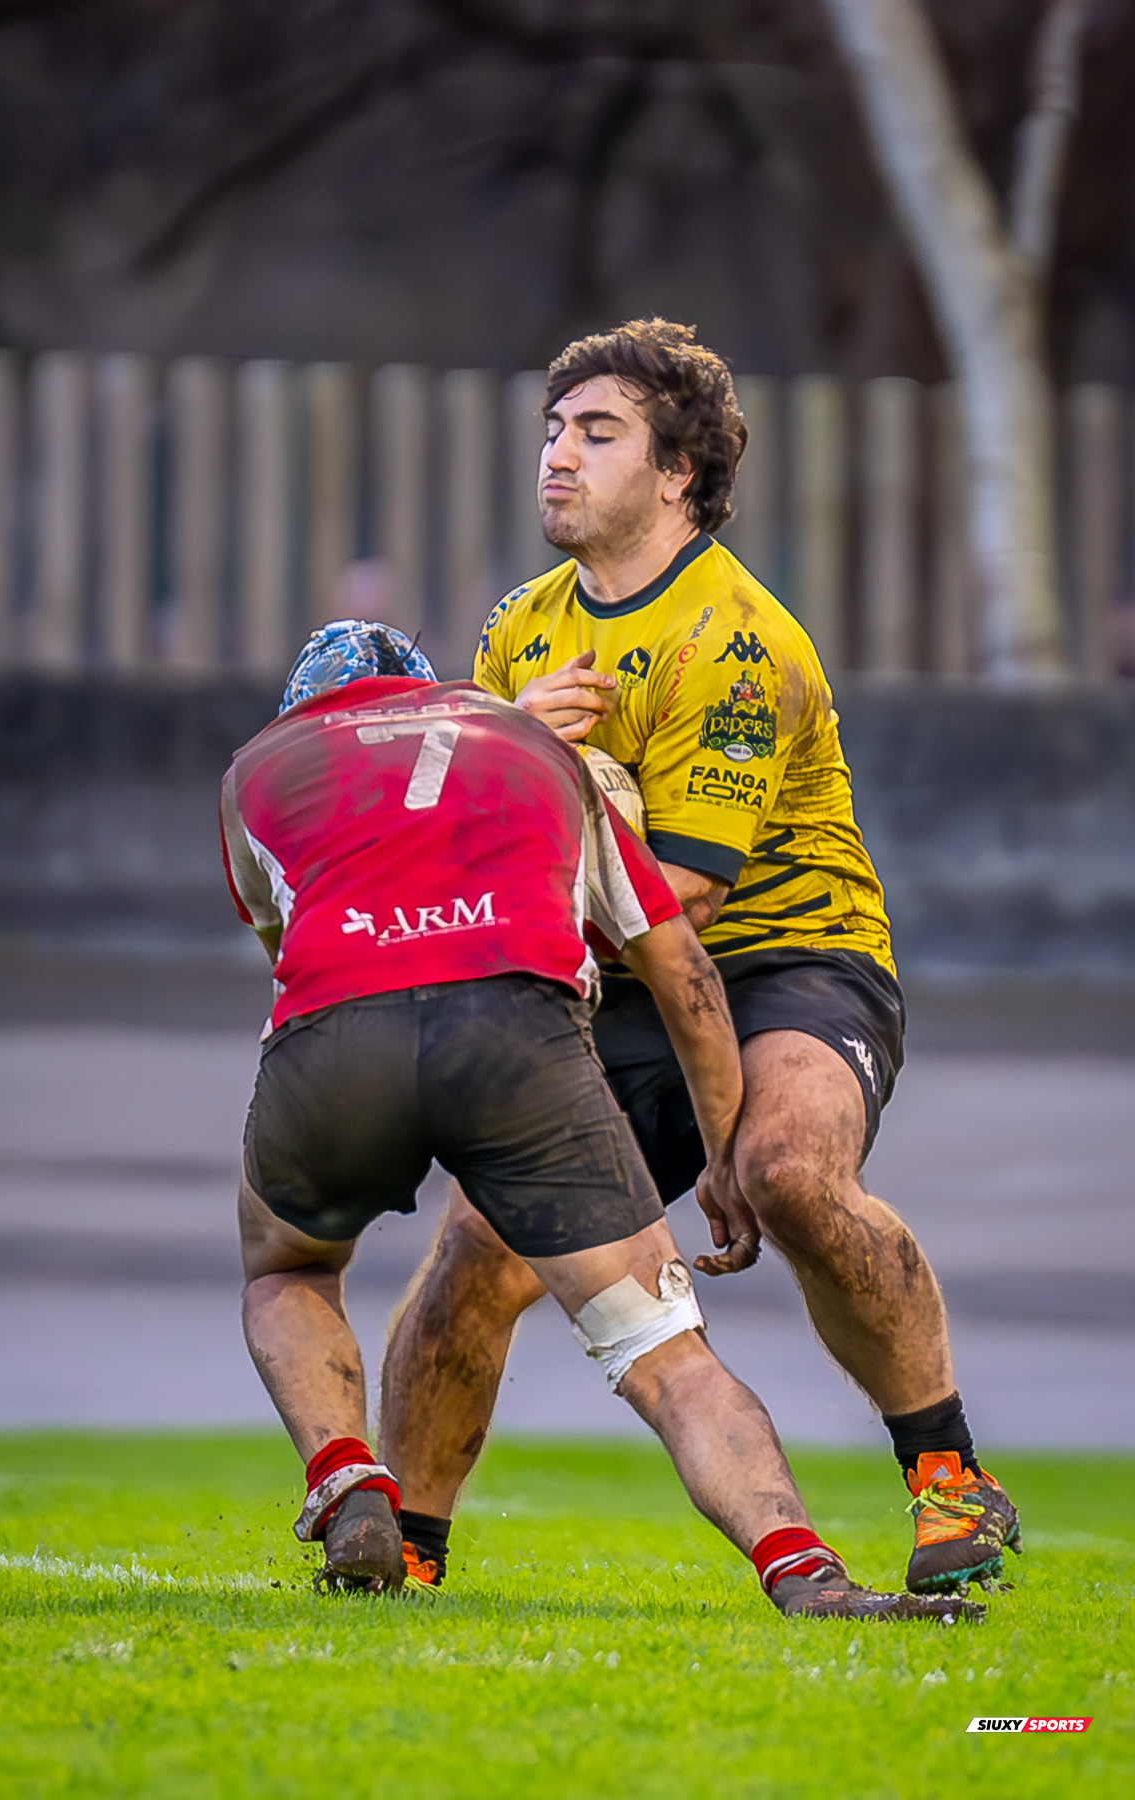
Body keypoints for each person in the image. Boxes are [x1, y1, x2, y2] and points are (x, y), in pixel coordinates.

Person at [379, 319, 1021, 1600]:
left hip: (791, 958)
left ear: (677, 474)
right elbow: (427, 835)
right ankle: (400, 1547)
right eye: (553, 431)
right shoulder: (522, 629)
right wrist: (499, 733)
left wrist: (722, 1118)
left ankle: (950, 1479)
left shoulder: (733, 643)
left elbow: (683, 901)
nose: (557, 457)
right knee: (477, 1250)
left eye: (596, 433)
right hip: (608, 976)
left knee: (783, 1169)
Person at [220, 617, 978, 1622]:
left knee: (290, 1271)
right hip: (519, 1040)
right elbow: (684, 974)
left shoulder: (256, 767)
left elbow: (284, 926)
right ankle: (805, 1569)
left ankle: (353, 1477)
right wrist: (719, 1155)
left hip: (337, 1033)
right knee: (664, 1351)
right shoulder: (541, 755)